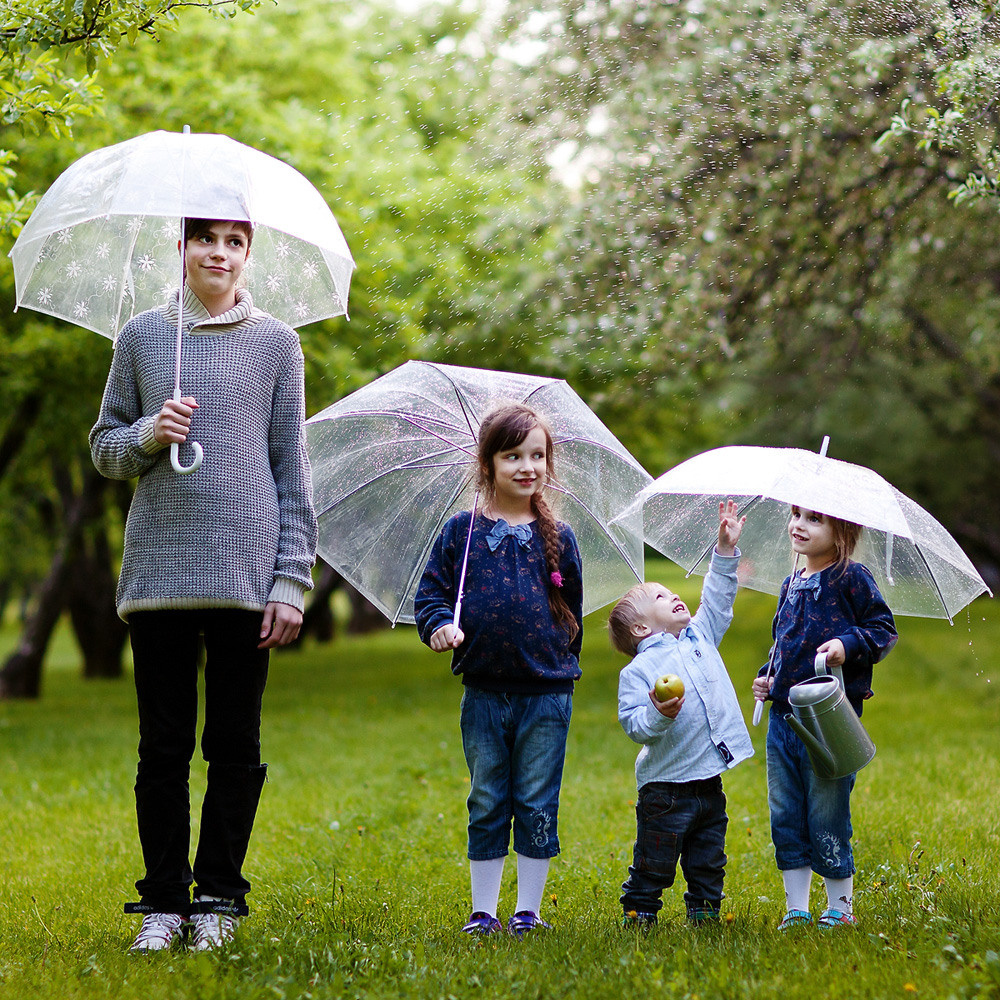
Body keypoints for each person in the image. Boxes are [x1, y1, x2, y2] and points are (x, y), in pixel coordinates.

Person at [90, 217, 317, 953]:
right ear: (181, 249)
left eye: (234, 241)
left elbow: (293, 470)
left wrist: (291, 579)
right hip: (160, 574)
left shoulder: (278, 345)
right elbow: (104, 450)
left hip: (247, 580)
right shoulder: (143, 339)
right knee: (162, 748)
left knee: (234, 745)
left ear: (248, 254)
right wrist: (150, 434)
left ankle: (218, 897)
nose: (219, 253)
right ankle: (162, 904)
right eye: (204, 239)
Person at [414, 402, 583, 937]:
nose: (527, 466)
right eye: (513, 456)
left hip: (546, 692)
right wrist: (441, 626)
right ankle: (483, 910)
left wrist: (557, 656)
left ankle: (528, 911)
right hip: (484, 691)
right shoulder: (460, 534)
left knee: (536, 798)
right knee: (488, 797)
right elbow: (432, 598)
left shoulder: (560, 538)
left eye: (537, 455)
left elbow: (572, 610)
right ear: (488, 463)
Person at [751, 505, 896, 930]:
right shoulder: (790, 582)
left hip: (830, 720)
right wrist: (768, 678)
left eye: (815, 519)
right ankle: (796, 906)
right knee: (785, 811)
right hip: (785, 719)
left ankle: (841, 907)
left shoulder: (851, 577)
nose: (799, 525)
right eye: (796, 515)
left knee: (827, 810)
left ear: (843, 530)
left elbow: (882, 629)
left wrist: (845, 645)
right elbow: (785, 644)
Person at [609, 501, 752, 927]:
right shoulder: (638, 672)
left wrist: (725, 551)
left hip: (708, 781)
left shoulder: (699, 636)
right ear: (641, 629)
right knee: (654, 861)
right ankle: (639, 913)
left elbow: (719, 599)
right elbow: (635, 725)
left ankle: (705, 915)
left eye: (670, 592)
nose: (672, 595)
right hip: (665, 789)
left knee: (709, 859)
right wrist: (658, 712)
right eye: (659, 596)